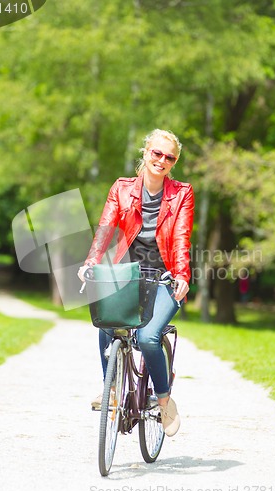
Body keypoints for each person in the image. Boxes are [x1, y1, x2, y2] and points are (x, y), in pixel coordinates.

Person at [78, 129, 194, 437]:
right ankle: (111, 389)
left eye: (169, 157)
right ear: (145, 152)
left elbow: (181, 237)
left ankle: (165, 399)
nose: (162, 160)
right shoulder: (122, 188)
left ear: (175, 162)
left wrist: (181, 275)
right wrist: (92, 261)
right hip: (127, 274)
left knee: (147, 338)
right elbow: (105, 227)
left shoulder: (182, 193)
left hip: (166, 278)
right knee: (106, 321)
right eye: (157, 153)